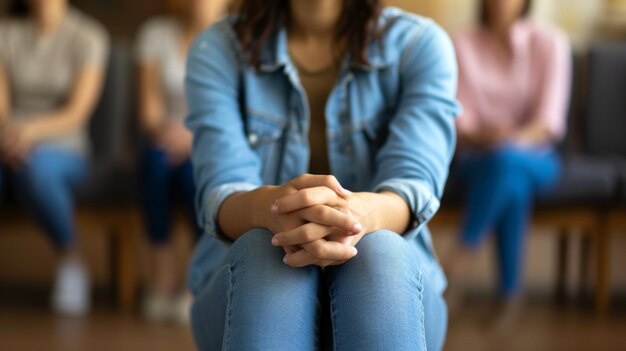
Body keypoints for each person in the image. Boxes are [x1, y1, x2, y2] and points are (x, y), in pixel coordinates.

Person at [185, 0, 460, 349]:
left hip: (394, 294)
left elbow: (415, 184)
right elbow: (220, 192)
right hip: (242, 294)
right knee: (264, 250)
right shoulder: (218, 48)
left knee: (381, 252)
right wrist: (274, 211)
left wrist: (354, 218)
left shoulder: (419, 46)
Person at [447, 0, 570, 323]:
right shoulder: (461, 44)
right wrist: (482, 136)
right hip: (477, 158)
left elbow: (549, 121)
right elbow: (459, 118)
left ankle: (461, 256)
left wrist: (507, 141)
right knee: (511, 182)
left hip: (537, 157)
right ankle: (509, 296)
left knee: (508, 164)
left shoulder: (551, 43)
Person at [0, 0, 108, 315]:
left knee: (35, 166)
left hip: (66, 148)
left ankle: (71, 258)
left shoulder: (88, 36)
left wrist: (29, 133)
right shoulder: (5, 33)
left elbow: (76, 114)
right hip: (8, 142)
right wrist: (12, 136)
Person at [135, 0, 231, 324]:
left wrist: (193, 138)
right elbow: (148, 110)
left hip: (211, 141)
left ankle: (195, 280)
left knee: (196, 174)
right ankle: (161, 276)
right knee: (154, 164)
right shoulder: (155, 35)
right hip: (165, 136)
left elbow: (238, 113)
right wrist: (170, 133)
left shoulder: (238, 39)